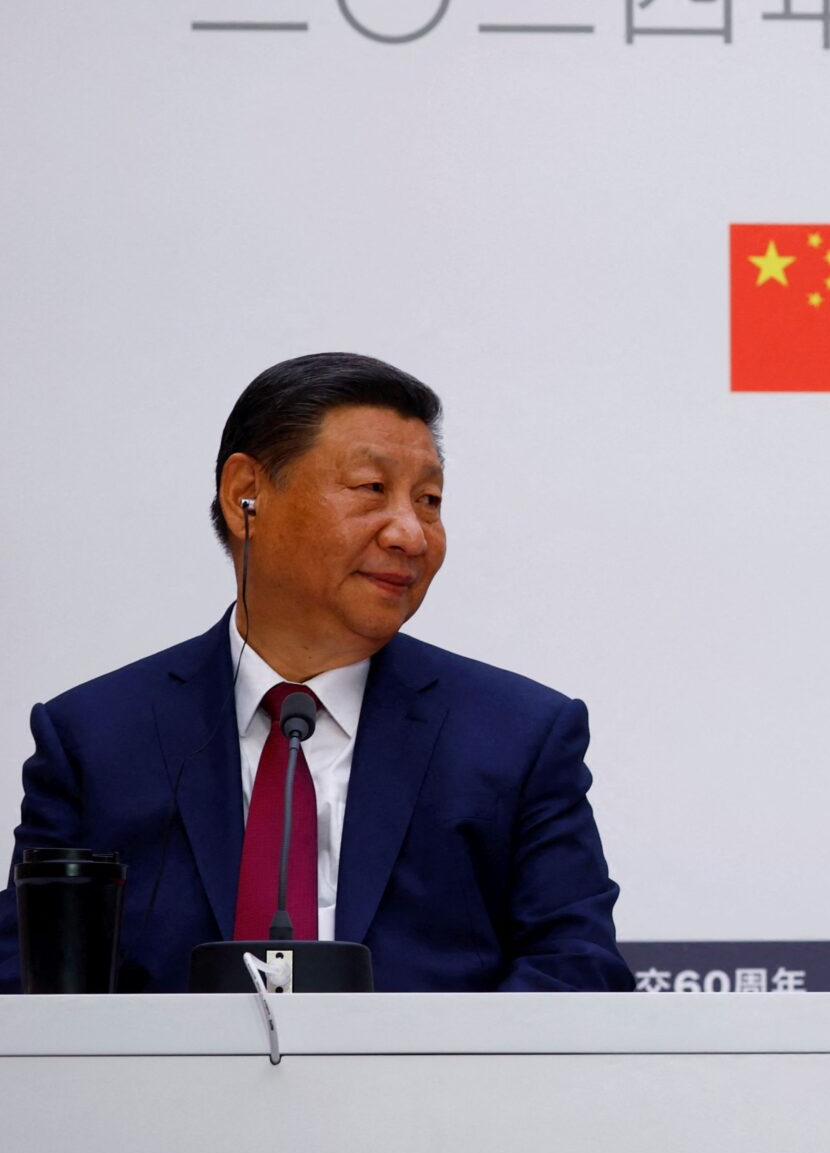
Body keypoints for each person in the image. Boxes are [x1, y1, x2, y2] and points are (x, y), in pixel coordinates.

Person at [1, 353, 632, 992]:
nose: (411, 534)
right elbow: (25, 987)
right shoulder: (96, 739)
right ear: (246, 492)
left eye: (430, 500)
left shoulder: (517, 737)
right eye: (371, 489)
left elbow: (577, 973)